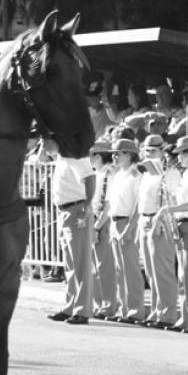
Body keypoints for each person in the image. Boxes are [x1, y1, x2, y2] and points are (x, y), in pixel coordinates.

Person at [156, 135, 188, 334]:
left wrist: (167, 210)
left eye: (182, 154)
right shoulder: (186, 174)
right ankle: (186, 317)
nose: (179, 158)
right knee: (183, 275)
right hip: (182, 224)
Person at [41, 137, 95, 325]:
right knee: (70, 264)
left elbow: (90, 177)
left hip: (77, 208)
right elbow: (42, 158)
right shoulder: (62, 158)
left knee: (80, 263)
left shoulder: (75, 156)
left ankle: (82, 310)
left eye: (46, 140)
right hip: (65, 210)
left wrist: (87, 206)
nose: (44, 144)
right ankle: (70, 306)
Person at [135, 134, 181, 329]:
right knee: (152, 272)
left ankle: (167, 313)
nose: (149, 154)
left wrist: (162, 219)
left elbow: (173, 199)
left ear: (163, 151)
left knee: (163, 271)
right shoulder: (147, 173)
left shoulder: (170, 173)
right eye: (146, 150)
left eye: (153, 150)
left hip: (160, 220)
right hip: (145, 219)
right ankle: (156, 310)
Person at [107, 138, 145, 324]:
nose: (113, 156)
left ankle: (135, 310)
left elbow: (138, 205)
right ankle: (124, 308)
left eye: (118, 153)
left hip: (127, 221)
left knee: (130, 269)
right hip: (115, 222)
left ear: (129, 154)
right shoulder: (119, 174)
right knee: (120, 270)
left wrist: (130, 228)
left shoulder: (136, 175)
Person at [89, 140, 118, 319]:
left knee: (105, 266)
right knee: (95, 267)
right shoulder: (98, 173)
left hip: (102, 222)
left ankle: (108, 305)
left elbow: (108, 204)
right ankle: (98, 303)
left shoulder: (109, 175)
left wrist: (97, 226)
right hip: (94, 220)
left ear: (98, 156)